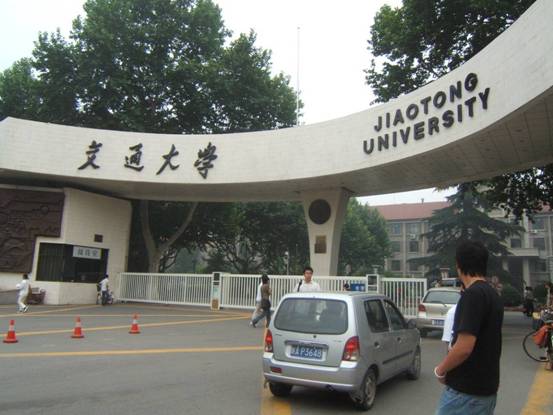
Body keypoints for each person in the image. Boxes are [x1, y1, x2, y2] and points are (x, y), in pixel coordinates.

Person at [434, 241, 503, 415]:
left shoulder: (472, 295)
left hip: (465, 394)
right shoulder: (492, 294)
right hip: (485, 391)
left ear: (459, 265)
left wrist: (440, 370)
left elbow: (464, 347)